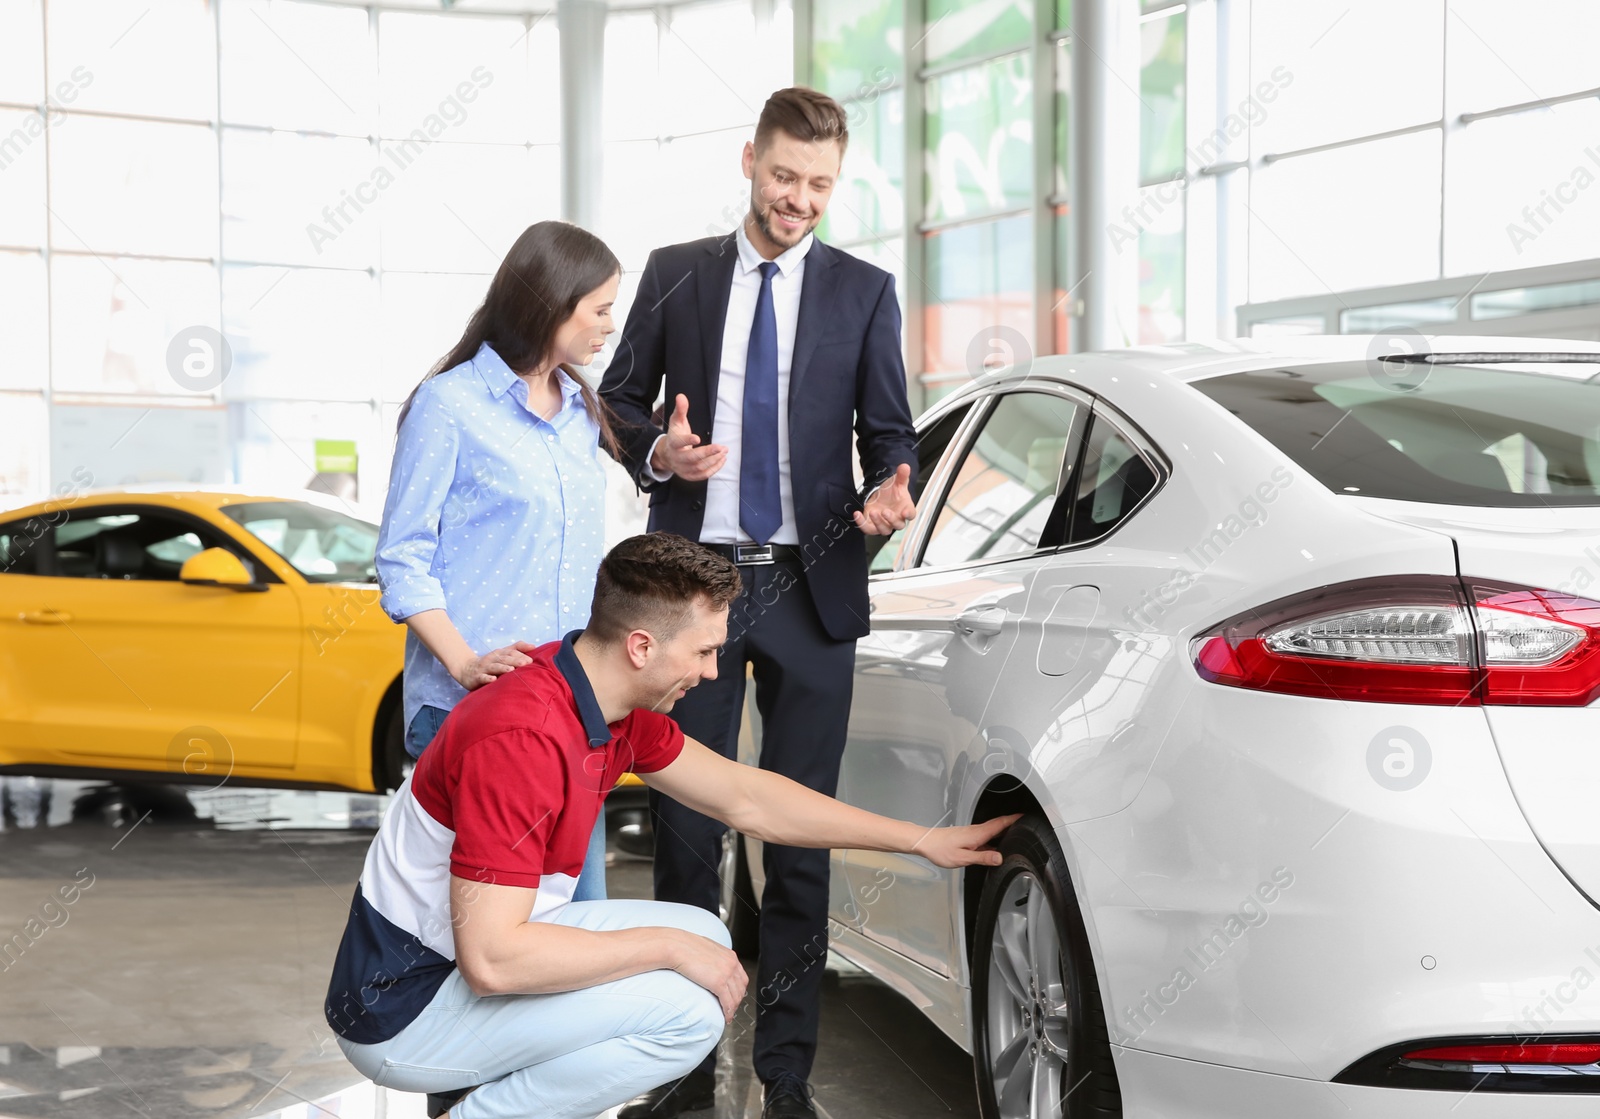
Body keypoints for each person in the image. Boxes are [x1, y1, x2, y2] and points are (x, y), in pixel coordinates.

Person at [324, 533, 1017, 1119]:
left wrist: (922, 840)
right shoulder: (525, 737)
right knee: (686, 1008)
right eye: (705, 651)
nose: (716, 671)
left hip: (453, 965)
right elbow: (494, 959)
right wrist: (666, 950)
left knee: (703, 935)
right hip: (401, 1009)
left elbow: (749, 797)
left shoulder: (596, 700)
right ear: (640, 645)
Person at [599, 87, 918, 1119]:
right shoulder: (677, 275)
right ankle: (681, 1068)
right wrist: (659, 448)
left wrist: (889, 488)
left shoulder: (865, 291)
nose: (800, 200)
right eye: (785, 177)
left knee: (798, 841)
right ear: (749, 161)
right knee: (687, 836)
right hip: (697, 583)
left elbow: (891, 431)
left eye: (820, 184)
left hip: (813, 585)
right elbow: (615, 396)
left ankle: (786, 1077)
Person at [376, 220, 619, 906]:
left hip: (568, 711)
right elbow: (401, 558)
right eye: (599, 308)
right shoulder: (448, 406)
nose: (609, 325)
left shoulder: (579, 413)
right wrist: (462, 662)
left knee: (580, 928)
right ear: (551, 304)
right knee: (482, 943)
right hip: (473, 711)